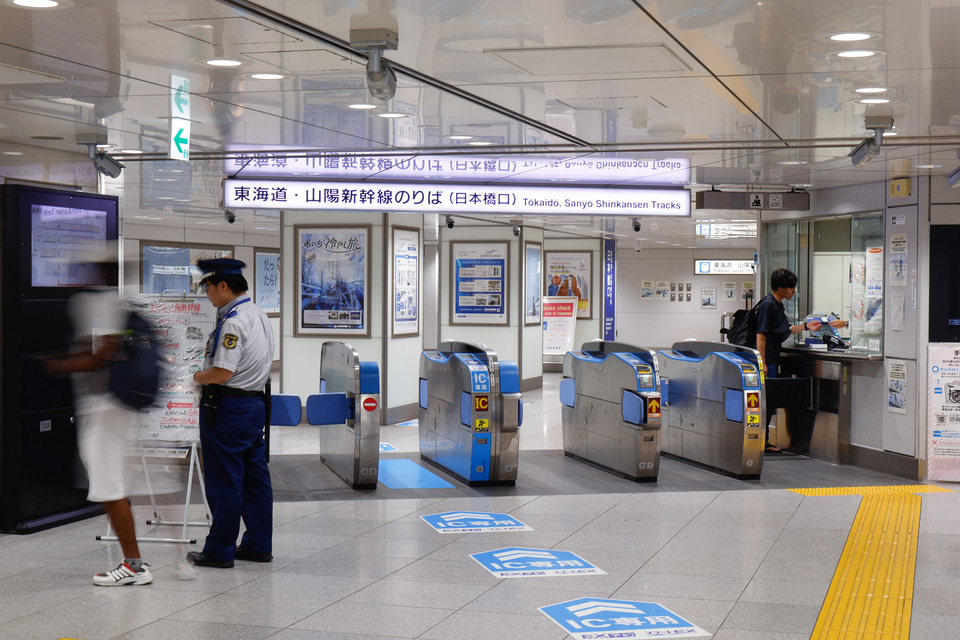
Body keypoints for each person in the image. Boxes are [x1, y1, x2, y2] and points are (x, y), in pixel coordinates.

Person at [44, 248, 153, 586]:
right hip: (112, 408)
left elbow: (101, 355)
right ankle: (133, 562)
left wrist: (54, 366)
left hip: (104, 408)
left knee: (109, 486)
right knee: (111, 483)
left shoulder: (102, 304)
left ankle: (134, 565)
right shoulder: (119, 303)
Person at [187, 258, 275, 568]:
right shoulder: (258, 314)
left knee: (224, 481)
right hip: (254, 405)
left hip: (228, 409)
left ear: (224, 286)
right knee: (255, 480)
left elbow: (222, 372)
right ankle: (258, 544)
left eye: (208, 288)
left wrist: (196, 377)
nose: (207, 295)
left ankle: (219, 550)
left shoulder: (234, 321)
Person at [755, 268, 823, 454]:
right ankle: (763, 442)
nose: (793, 291)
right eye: (790, 288)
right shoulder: (768, 305)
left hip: (772, 359)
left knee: (770, 402)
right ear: (779, 288)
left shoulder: (777, 305)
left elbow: (785, 330)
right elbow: (761, 335)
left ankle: (764, 441)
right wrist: (761, 363)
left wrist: (806, 327)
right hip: (767, 361)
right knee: (767, 402)